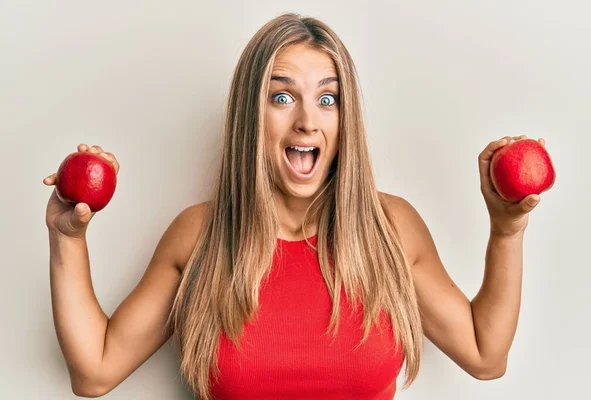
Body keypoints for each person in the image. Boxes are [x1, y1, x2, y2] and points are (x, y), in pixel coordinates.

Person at [43, 12, 546, 400]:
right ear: (250, 114)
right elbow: (95, 371)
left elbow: (486, 355)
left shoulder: (391, 228)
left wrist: (506, 232)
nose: (308, 120)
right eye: (282, 97)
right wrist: (67, 237)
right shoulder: (200, 235)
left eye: (328, 99)